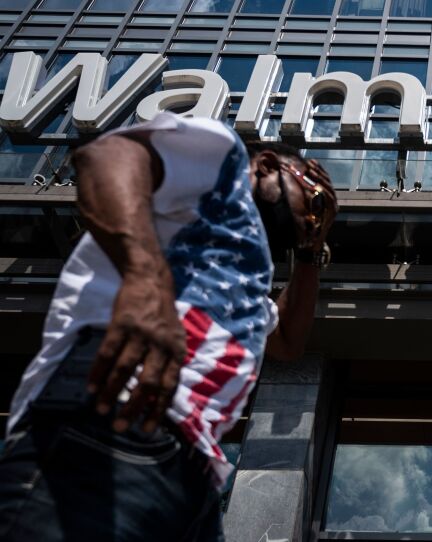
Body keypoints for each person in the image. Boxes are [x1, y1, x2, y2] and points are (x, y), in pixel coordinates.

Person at [0, 112, 336, 541]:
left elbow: (288, 342)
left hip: (195, 478)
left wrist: (310, 249)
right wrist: (145, 278)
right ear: (268, 166)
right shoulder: (223, 162)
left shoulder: (247, 277)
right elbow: (108, 155)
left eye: (321, 209)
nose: (312, 214)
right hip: (120, 417)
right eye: (312, 195)